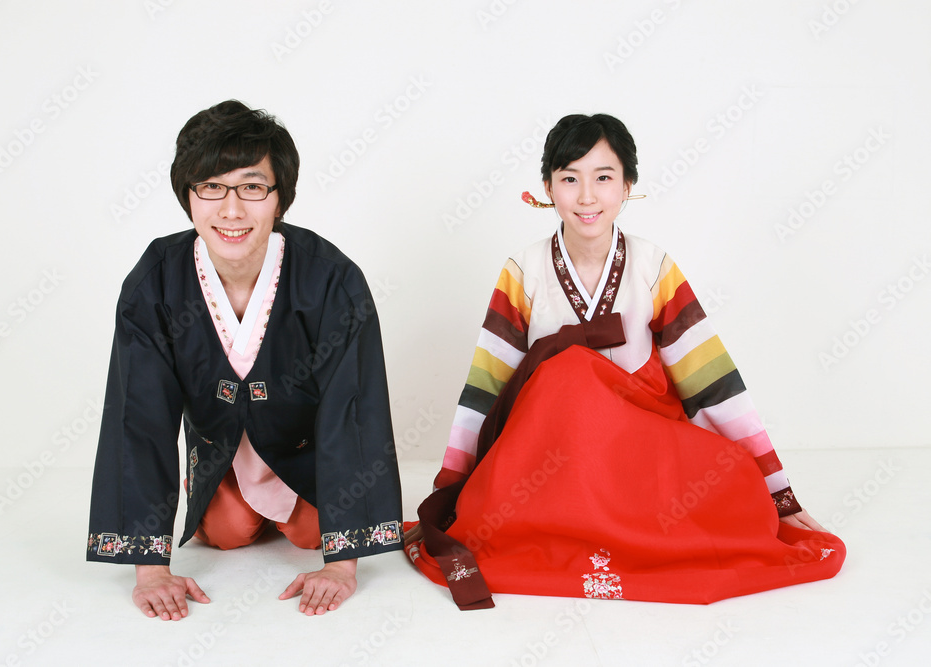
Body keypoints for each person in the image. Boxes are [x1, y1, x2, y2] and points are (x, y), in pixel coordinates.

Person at [404, 114, 844, 610]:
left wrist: (778, 493)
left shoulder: (653, 266)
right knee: (565, 377)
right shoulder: (523, 270)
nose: (587, 197)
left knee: (734, 488)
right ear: (547, 186)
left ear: (628, 185)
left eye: (603, 177)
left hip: (636, 449)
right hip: (551, 459)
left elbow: (710, 381)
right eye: (569, 178)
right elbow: (487, 386)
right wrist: (451, 489)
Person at [86, 100, 403, 619]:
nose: (231, 210)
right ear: (188, 195)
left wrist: (341, 565)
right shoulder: (156, 281)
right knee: (228, 533)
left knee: (312, 533)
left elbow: (352, 408)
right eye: (211, 186)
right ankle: (225, 496)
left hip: (306, 455)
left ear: (280, 198)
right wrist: (152, 570)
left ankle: (300, 511)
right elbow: (138, 416)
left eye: (252, 187)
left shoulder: (330, 279)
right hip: (222, 453)